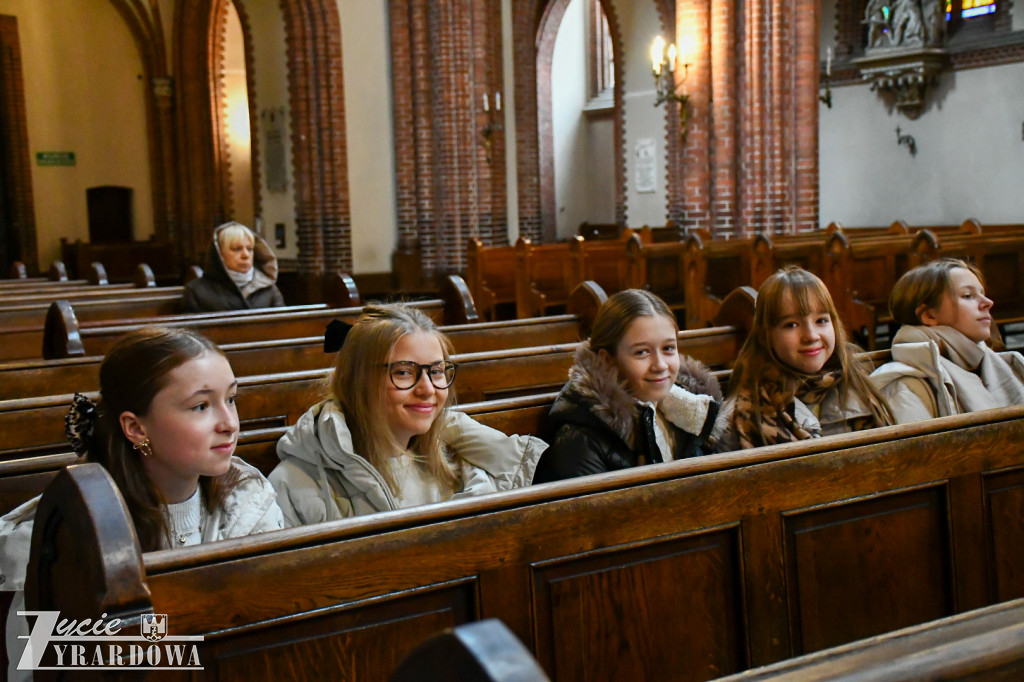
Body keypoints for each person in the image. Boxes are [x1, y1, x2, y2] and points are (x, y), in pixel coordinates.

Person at [0, 326, 285, 679]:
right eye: (200, 406)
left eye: (231, 399)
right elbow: (36, 668)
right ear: (136, 428)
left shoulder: (249, 501)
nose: (229, 423)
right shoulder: (68, 537)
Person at [269, 303, 546, 525]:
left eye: (436, 371)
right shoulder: (296, 485)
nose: (427, 389)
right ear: (358, 380)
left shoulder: (455, 460)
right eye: (404, 372)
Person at [532, 289, 722, 483]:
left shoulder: (692, 413)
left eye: (668, 348)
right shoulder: (580, 439)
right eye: (641, 352)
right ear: (608, 360)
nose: (661, 365)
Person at [714, 266, 894, 452]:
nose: (811, 335)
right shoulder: (740, 415)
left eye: (821, 321)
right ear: (765, 335)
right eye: (791, 325)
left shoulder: (858, 383)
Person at [872, 258, 1024, 423]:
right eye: (968, 296)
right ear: (929, 315)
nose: (988, 303)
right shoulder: (905, 386)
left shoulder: (1009, 365)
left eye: (983, 294)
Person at [182, 221, 286, 312]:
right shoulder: (196, 291)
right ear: (220, 255)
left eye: (249, 249)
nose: (245, 255)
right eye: (236, 249)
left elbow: (284, 326)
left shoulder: (268, 288)